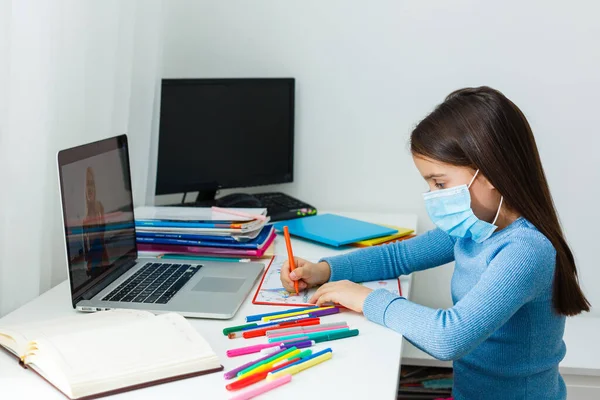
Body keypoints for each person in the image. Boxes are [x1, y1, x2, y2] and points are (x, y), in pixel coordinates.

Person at [280, 87, 590, 399]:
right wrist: (325, 270)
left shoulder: (525, 251)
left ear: (492, 172)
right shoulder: (475, 227)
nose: (433, 195)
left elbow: (448, 336)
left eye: (440, 183)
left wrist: (365, 299)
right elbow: (400, 256)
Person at [82, 166, 109, 278]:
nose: (90, 189)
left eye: (91, 183)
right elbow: (85, 245)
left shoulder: (100, 209)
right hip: (93, 264)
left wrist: (101, 215)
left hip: (103, 261)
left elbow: (102, 237)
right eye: (87, 184)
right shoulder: (85, 219)